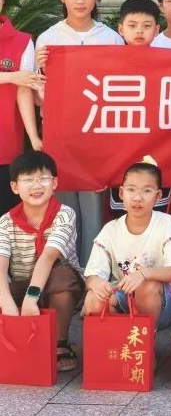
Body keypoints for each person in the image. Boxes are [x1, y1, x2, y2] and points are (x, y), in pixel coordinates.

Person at [35, 0, 123, 264]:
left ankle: (94, 270)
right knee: (63, 202)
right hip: (60, 133)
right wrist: (42, 68)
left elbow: (122, 86)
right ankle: (66, 271)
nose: (80, 0)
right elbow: (37, 92)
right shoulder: (48, 38)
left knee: (94, 203)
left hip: (98, 134)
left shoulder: (111, 39)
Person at [82, 157, 171, 332]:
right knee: (93, 299)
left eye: (147, 191)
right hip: (124, 298)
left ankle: (145, 341)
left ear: (158, 196)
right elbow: (92, 276)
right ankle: (122, 342)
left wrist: (143, 274)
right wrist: (97, 285)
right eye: (131, 190)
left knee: (146, 285)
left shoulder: (165, 222)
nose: (138, 197)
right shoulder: (111, 229)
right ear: (121, 193)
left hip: (162, 301)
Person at [0, 151, 84, 371]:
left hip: (57, 284)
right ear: (15, 187)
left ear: (54, 183)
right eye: (28, 179)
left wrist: (31, 297)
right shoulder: (6, 222)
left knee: (62, 275)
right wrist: (6, 301)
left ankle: (60, 343)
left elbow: (48, 256)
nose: (36, 185)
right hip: (22, 282)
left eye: (43, 178)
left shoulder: (65, 214)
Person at [0, 0, 42, 214]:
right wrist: (11, 76)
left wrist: (33, 137)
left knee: (7, 215)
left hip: (7, 142)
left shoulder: (22, 41)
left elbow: (24, 90)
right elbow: (18, 79)